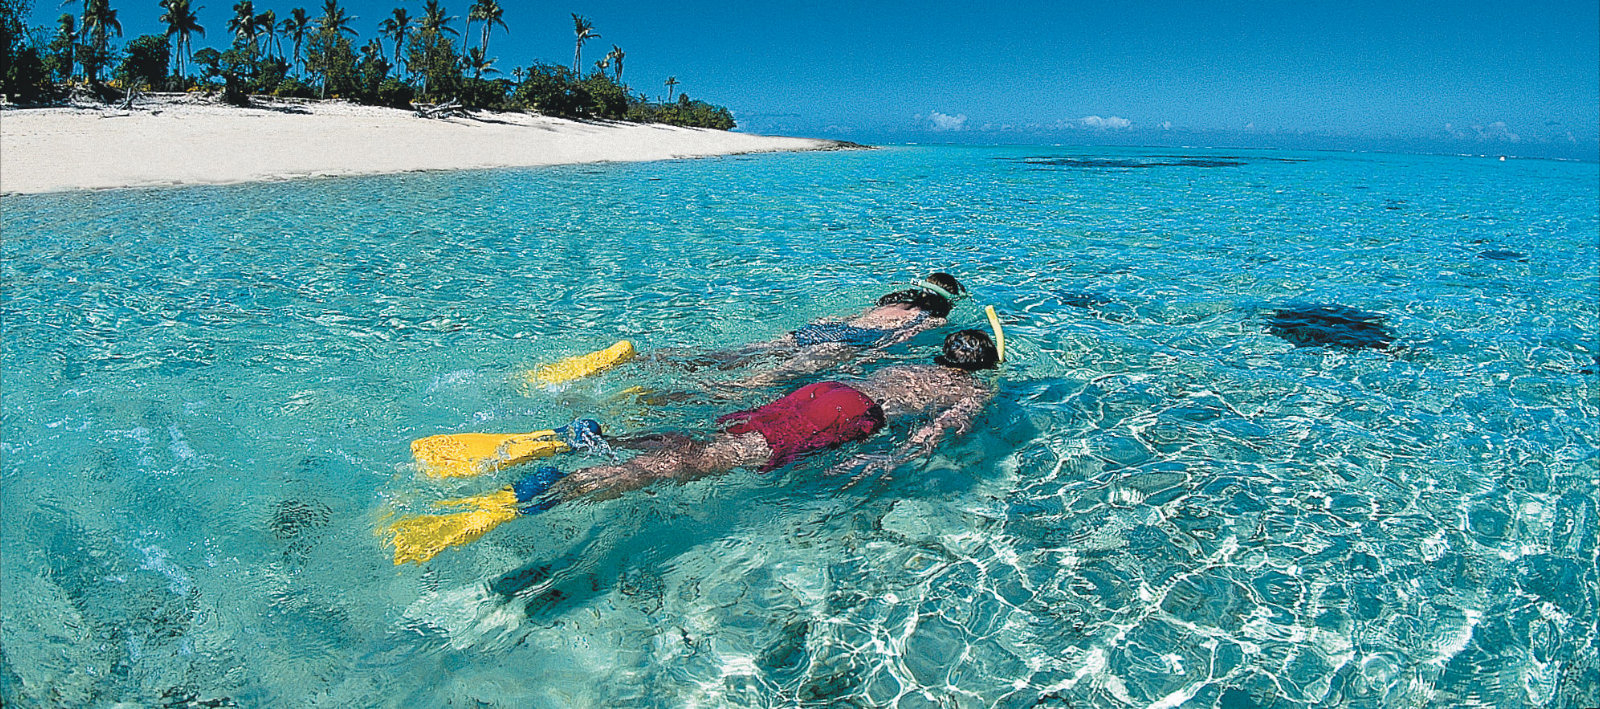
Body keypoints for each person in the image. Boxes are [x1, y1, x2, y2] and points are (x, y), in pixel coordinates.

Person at [386, 328, 1001, 564]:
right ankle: (556, 489)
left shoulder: (915, 362)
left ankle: (582, 441)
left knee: (714, 438)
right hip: (850, 413)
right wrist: (888, 460)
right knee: (710, 459)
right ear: (985, 367)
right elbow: (932, 433)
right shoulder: (971, 392)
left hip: (826, 391)